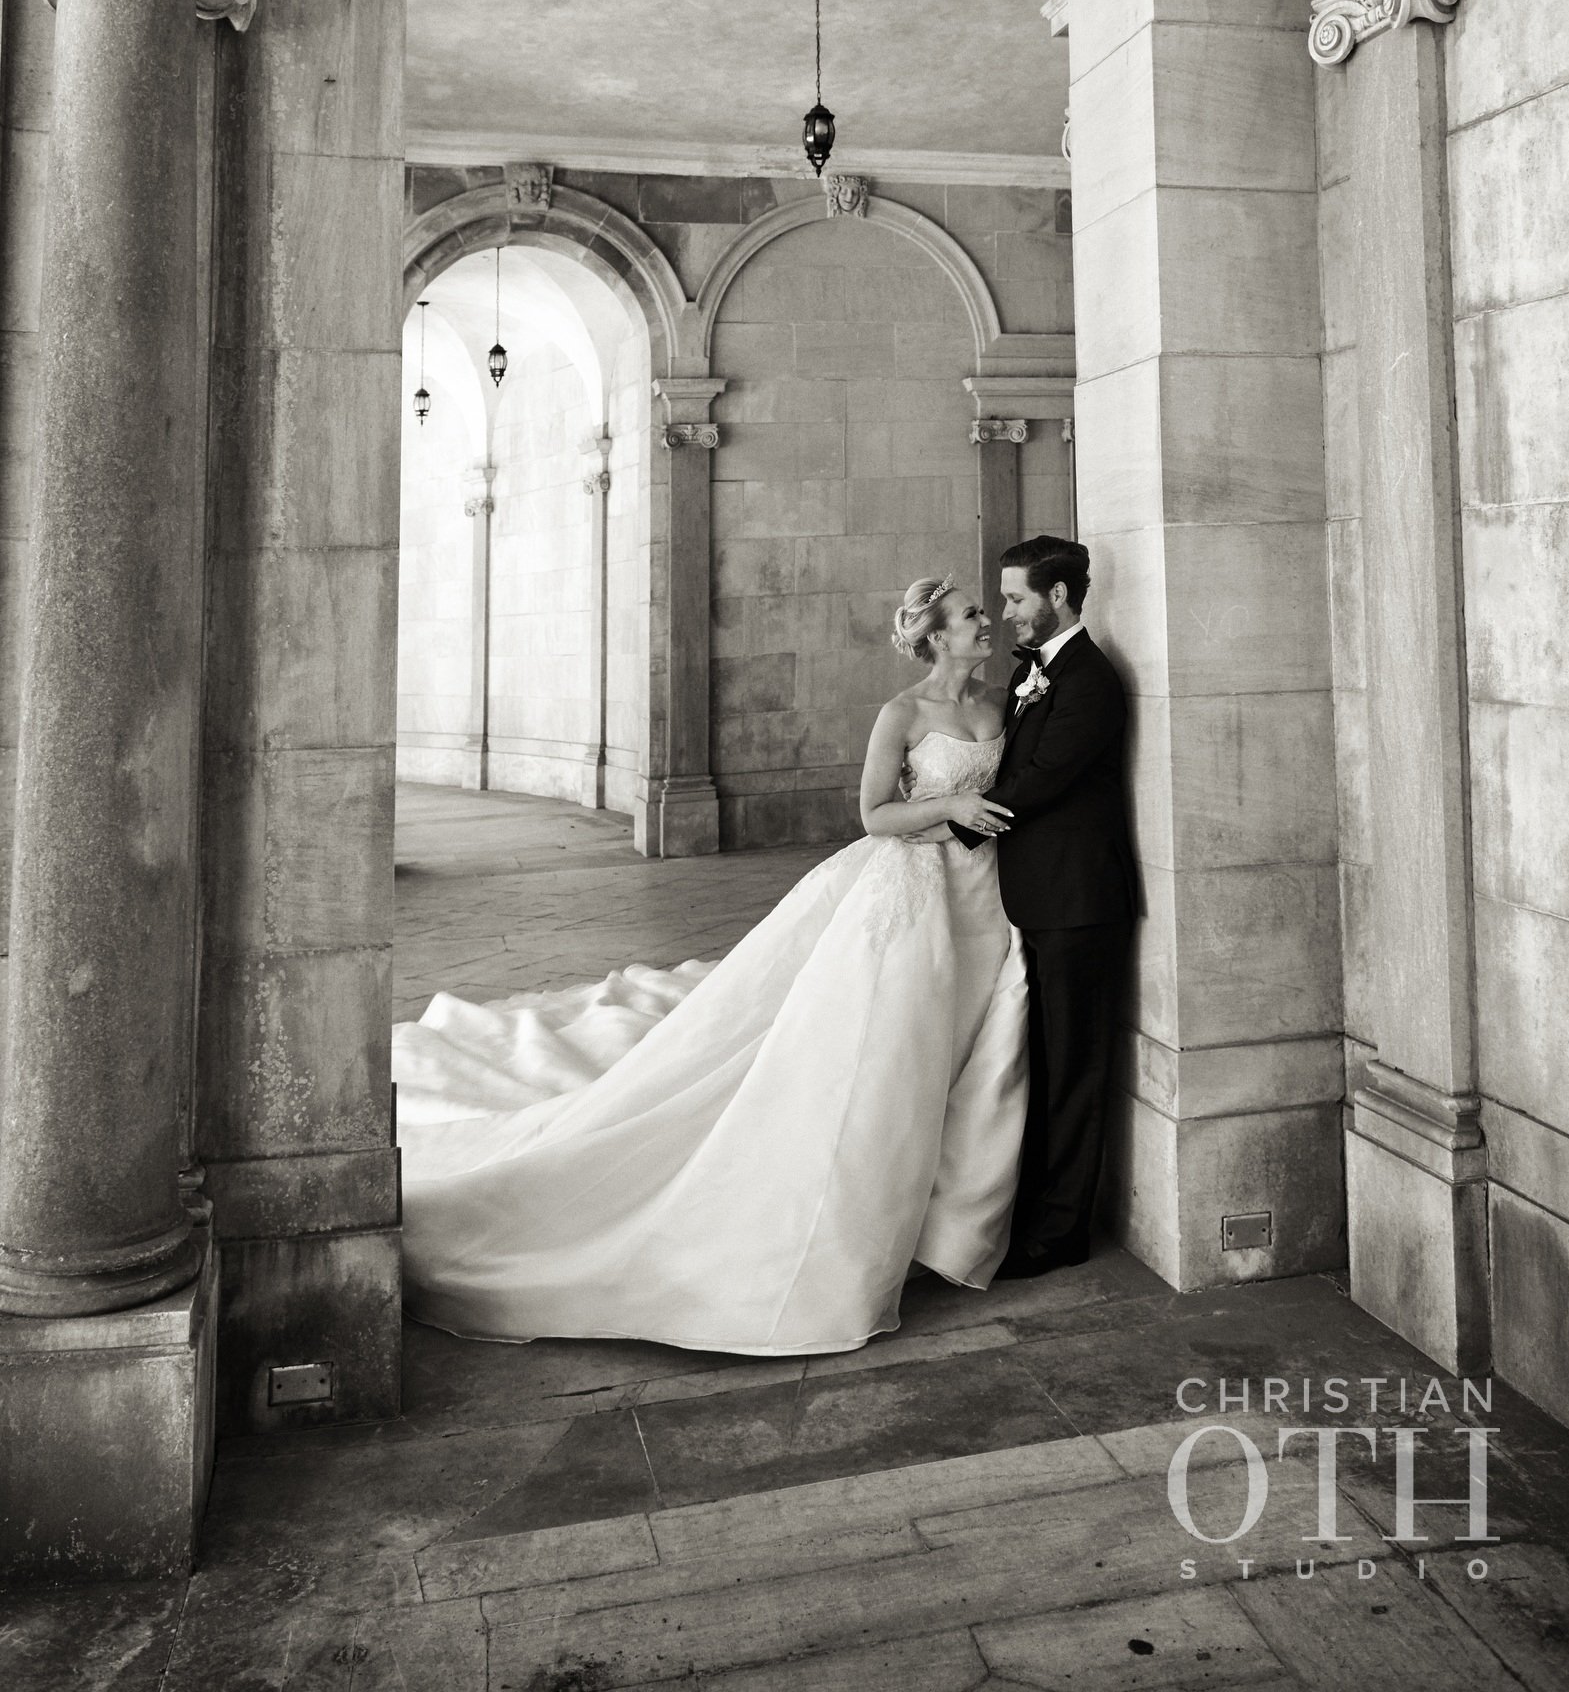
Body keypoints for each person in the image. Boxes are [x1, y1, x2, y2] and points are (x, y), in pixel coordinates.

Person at [390, 575, 1027, 1355]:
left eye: (981, 613)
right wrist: (949, 807)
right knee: (889, 1054)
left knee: (964, 1048)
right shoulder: (903, 714)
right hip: (910, 889)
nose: (985, 622)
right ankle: (850, 1227)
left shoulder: (1002, 706)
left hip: (982, 893)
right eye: (970, 615)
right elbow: (874, 815)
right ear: (933, 637)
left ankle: (945, 1214)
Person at [949, 534, 1136, 1277]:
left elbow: (1041, 782)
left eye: (1017, 597)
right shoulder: (1037, 675)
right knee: (1046, 1065)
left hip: (1080, 903)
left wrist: (951, 819)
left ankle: (1060, 1234)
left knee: (1076, 1071)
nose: (1006, 611)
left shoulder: (1088, 680)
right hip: (1041, 900)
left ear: (1058, 597)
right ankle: (1034, 1209)